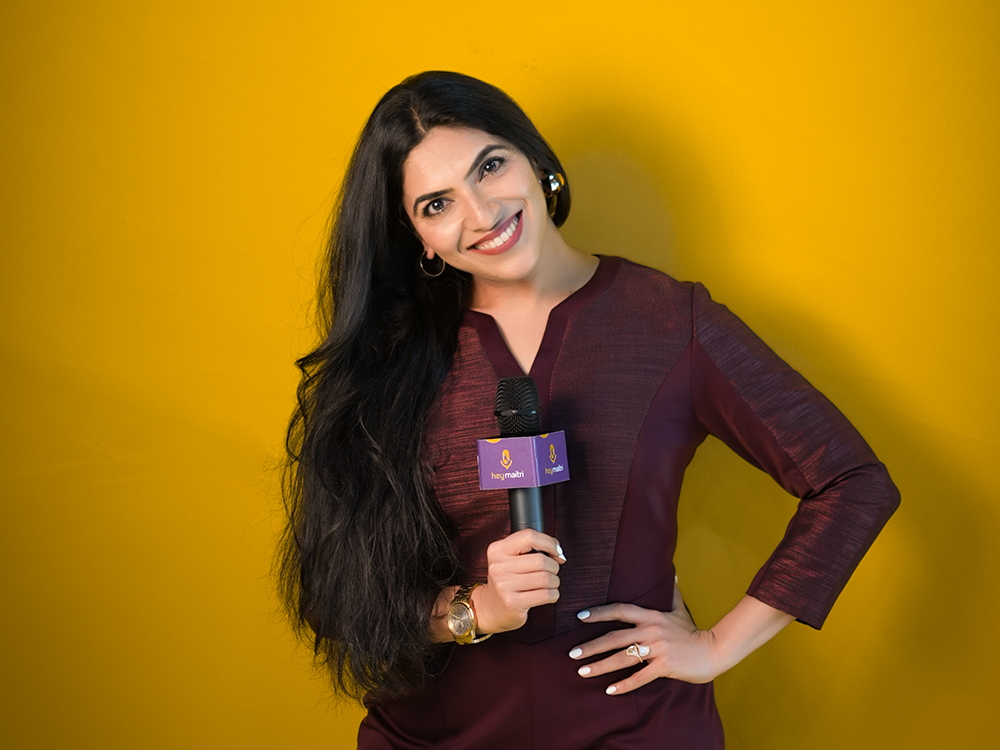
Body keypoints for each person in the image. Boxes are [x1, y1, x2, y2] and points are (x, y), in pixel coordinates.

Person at [278, 71, 899, 749]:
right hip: (432, 734)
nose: (481, 214)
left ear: (535, 158)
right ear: (418, 236)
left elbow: (852, 482)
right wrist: (478, 608)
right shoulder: (387, 362)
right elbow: (341, 593)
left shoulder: (671, 322)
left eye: (490, 167)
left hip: (637, 728)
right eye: (437, 204)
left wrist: (718, 645)